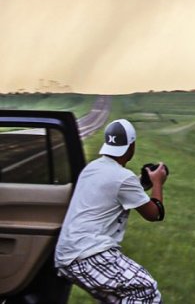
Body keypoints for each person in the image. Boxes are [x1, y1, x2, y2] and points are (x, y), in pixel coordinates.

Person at [55, 118, 168, 303]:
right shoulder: (123, 177)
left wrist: (143, 182)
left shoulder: (92, 168)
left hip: (68, 254)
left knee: (120, 298)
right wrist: (157, 183)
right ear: (131, 146)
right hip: (88, 255)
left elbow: (115, 190)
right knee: (146, 290)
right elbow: (154, 213)